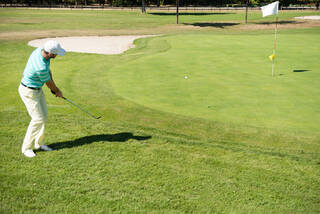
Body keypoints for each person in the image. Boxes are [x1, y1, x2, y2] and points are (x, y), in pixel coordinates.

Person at [18, 40, 66, 158]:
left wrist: (55, 89)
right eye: (56, 54)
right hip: (29, 91)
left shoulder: (40, 51)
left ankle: (39, 144)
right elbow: (48, 82)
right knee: (37, 119)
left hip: (37, 89)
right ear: (50, 53)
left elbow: (49, 73)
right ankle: (26, 148)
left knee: (43, 115)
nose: (57, 55)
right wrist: (56, 90)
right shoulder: (40, 66)